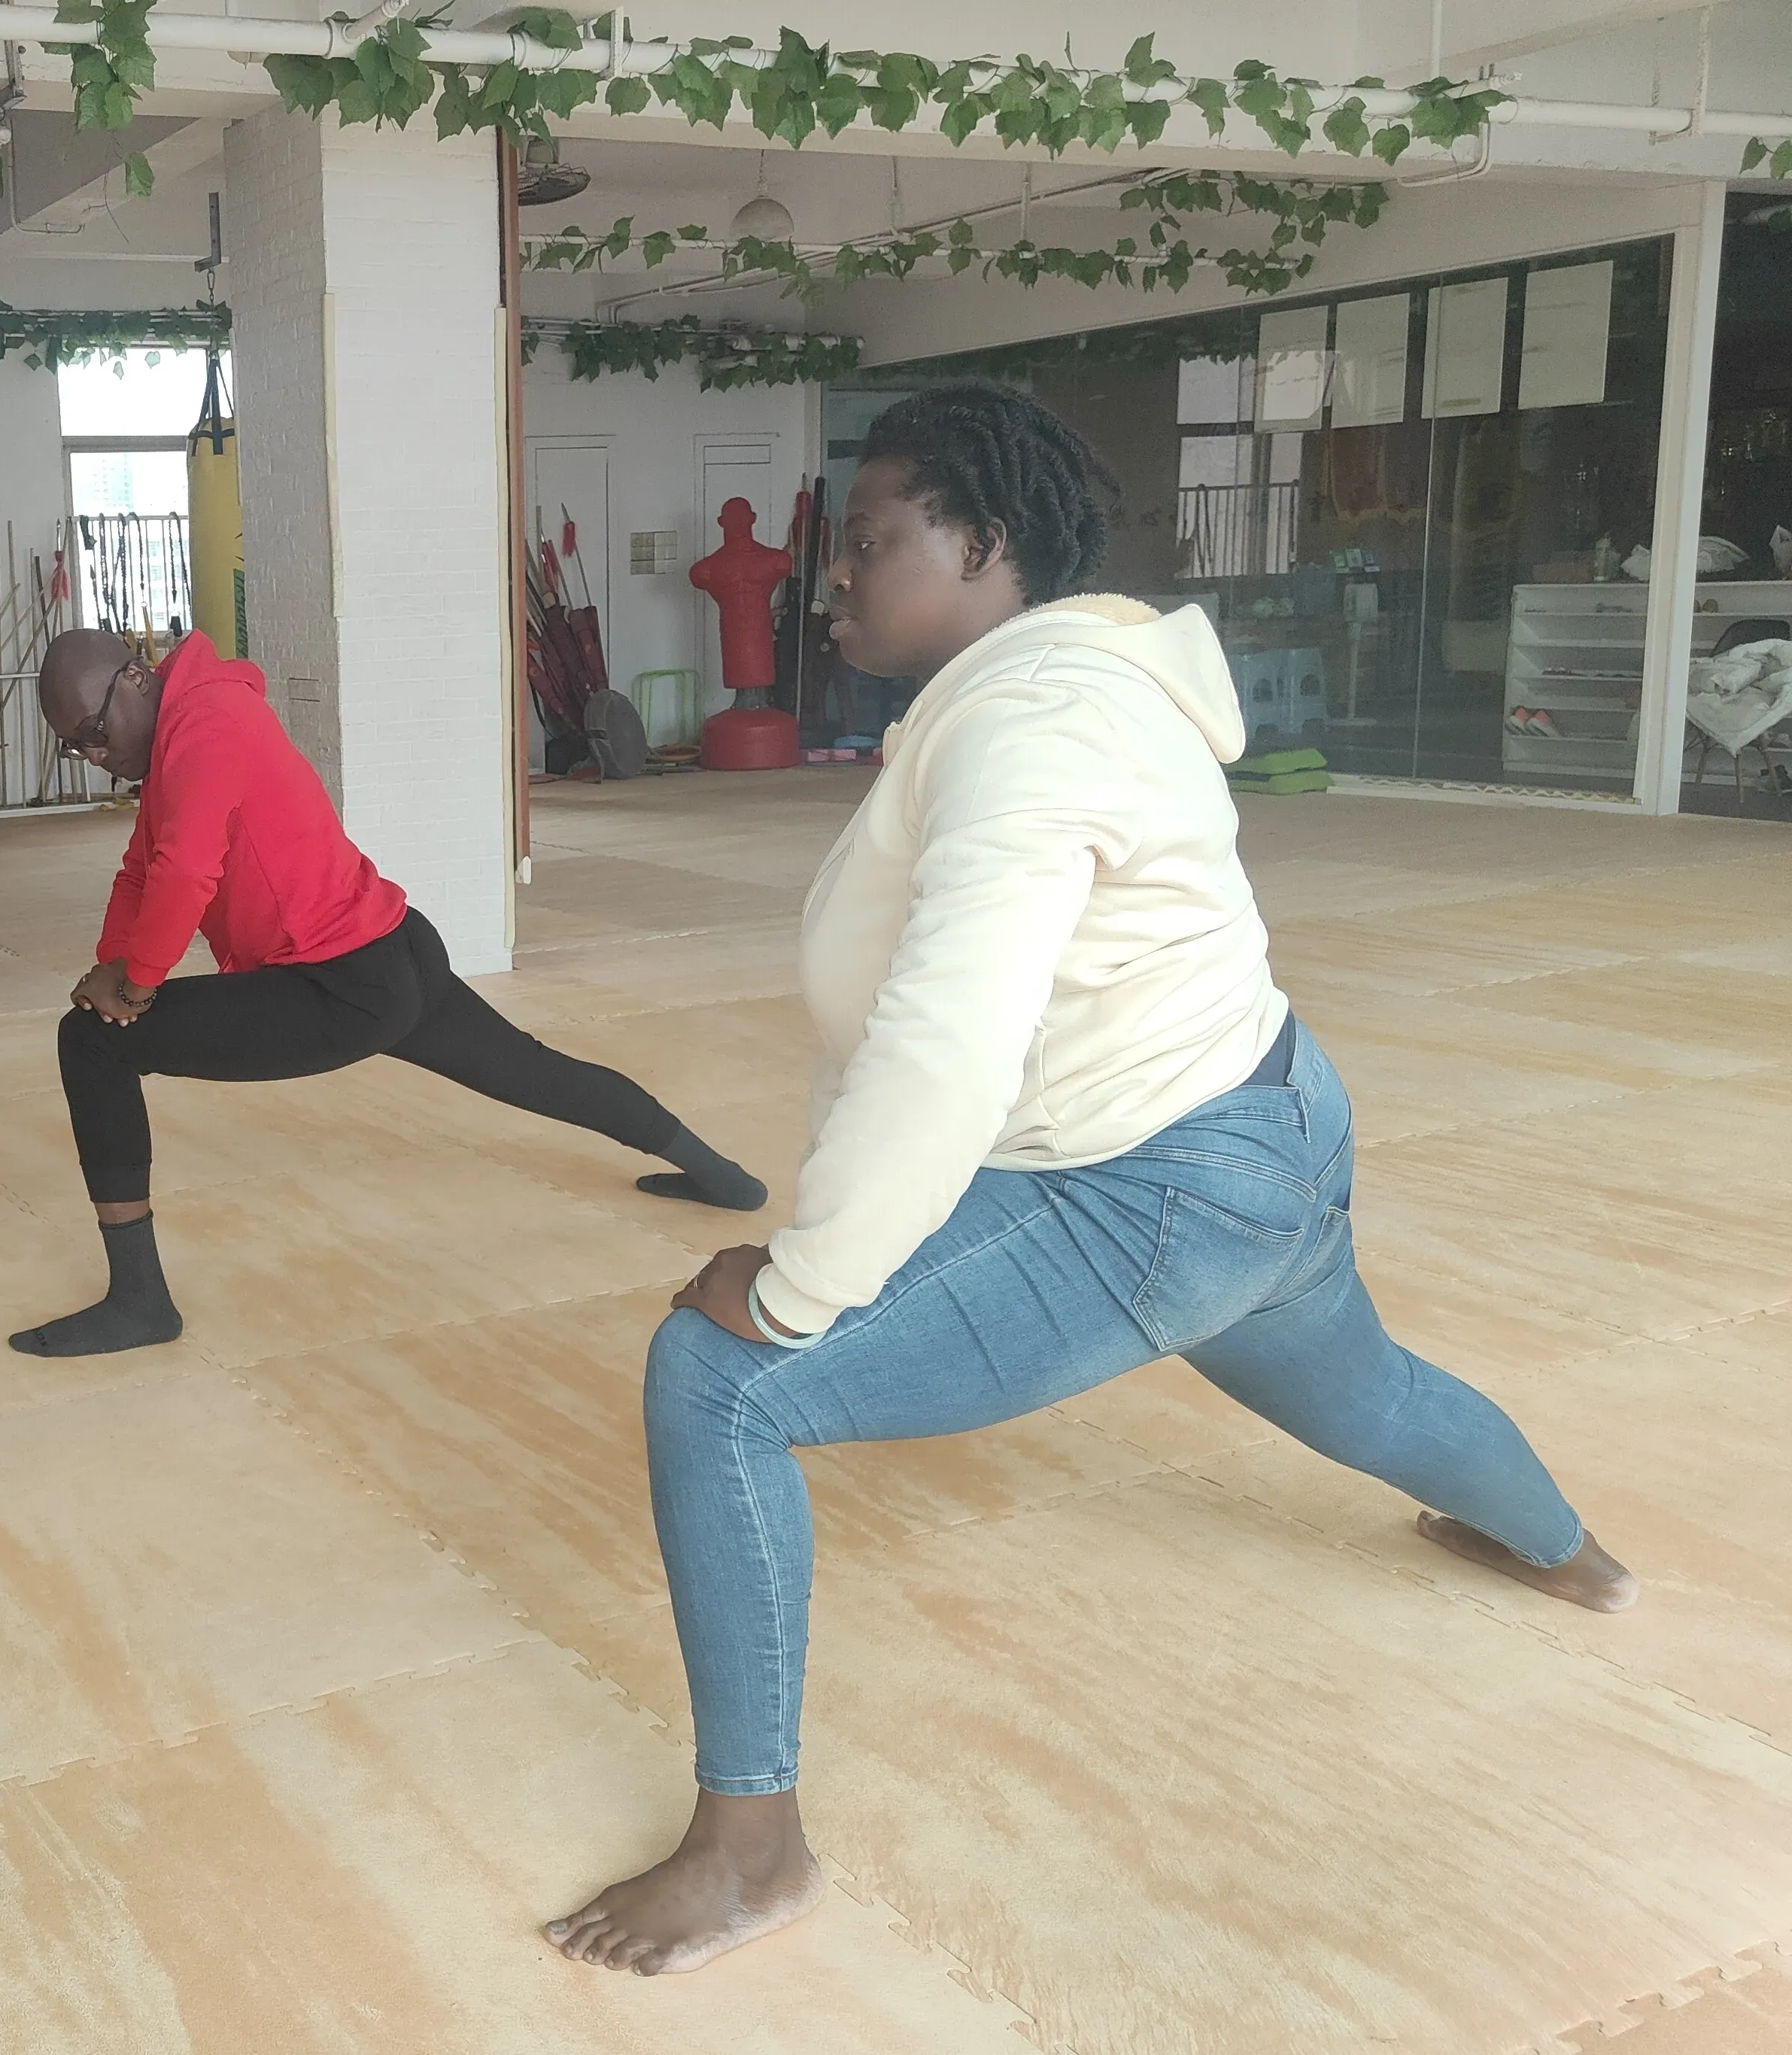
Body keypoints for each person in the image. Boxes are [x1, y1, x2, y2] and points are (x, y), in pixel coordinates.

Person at [545, 385, 1632, 1977]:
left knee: (716, 1378)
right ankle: (1565, 1554)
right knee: (1369, 1385)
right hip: (1260, 1122)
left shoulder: (1031, 720)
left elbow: (950, 1031)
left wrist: (800, 1284)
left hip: (1156, 1187)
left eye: (867, 542)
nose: (826, 578)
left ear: (985, 543)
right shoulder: (1051, 687)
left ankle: (749, 1850)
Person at [12, 627, 768, 1358]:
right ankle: (721, 1177)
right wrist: (112, 964)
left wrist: (136, 987)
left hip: (340, 985)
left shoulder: (203, 726)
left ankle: (140, 1302)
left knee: (90, 1045)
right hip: (396, 946)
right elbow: (143, 871)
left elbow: (185, 874)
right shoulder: (189, 725)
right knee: (536, 1070)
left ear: (137, 679)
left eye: (94, 729)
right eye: (75, 746)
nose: (95, 754)